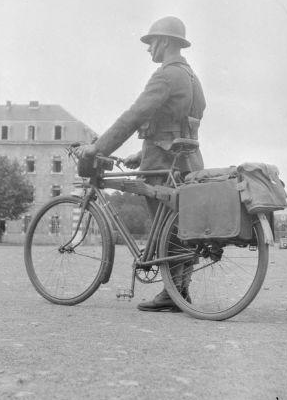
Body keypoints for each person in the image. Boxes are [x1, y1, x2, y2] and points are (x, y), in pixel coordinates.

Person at [75, 16, 206, 312]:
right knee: (179, 228)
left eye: (151, 43)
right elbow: (179, 121)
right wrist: (142, 150)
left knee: (165, 228)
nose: (149, 50)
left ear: (165, 42)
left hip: (164, 163)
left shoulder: (165, 76)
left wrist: (99, 147)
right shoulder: (191, 76)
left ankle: (172, 294)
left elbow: (134, 115)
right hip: (186, 159)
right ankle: (179, 291)